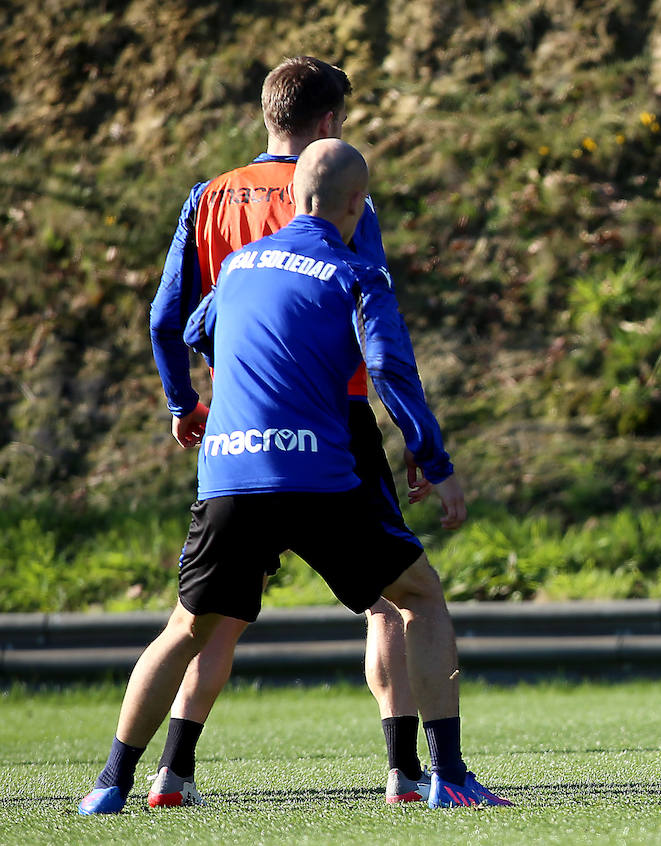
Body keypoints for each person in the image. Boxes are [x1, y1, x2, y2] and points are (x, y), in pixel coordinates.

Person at [80, 139, 511, 814]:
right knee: (418, 598)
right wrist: (434, 459)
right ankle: (445, 777)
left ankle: (109, 784)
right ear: (355, 204)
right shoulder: (356, 272)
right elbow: (391, 371)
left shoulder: (239, 268)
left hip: (228, 473)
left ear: (297, 197)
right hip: (317, 476)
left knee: (187, 628)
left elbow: (192, 327)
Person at [146, 57, 428, 806]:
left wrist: (184, 402)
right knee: (389, 598)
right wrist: (424, 443)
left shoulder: (209, 197)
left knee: (216, 615)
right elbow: (373, 317)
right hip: (332, 418)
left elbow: (167, 320)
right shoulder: (344, 196)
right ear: (330, 123)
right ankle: (406, 770)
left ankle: (168, 769)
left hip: (238, 423)